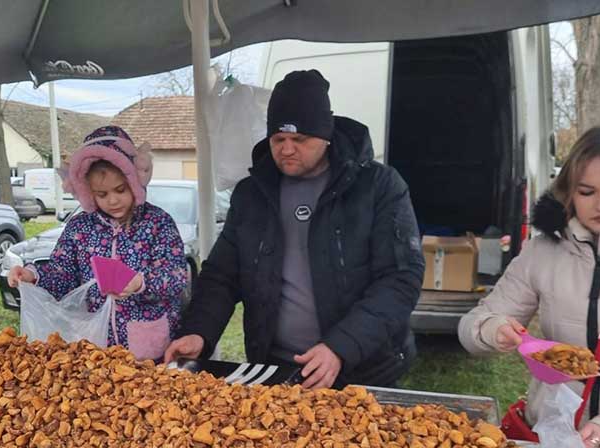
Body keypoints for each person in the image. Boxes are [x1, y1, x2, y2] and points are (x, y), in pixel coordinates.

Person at [164, 69, 425, 390]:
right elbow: (222, 276)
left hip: (362, 370)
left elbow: (400, 279)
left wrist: (341, 347)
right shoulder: (252, 194)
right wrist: (198, 331)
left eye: (299, 139)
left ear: (325, 135)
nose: (286, 149)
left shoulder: (378, 187)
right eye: (278, 139)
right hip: (275, 369)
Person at [459, 120, 600, 448]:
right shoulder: (543, 250)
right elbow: (475, 323)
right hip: (554, 429)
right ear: (569, 192)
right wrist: (492, 330)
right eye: (587, 192)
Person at [7, 125, 187, 361]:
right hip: (98, 347)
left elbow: (176, 277)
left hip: (150, 348)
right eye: (102, 194)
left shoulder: (157, 223)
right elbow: (63, 274)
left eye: (120, 190)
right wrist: (33, 275)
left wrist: (140, 283)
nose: (113, 200)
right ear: (88, 192)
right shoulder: (80, 227)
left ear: (135, 181)